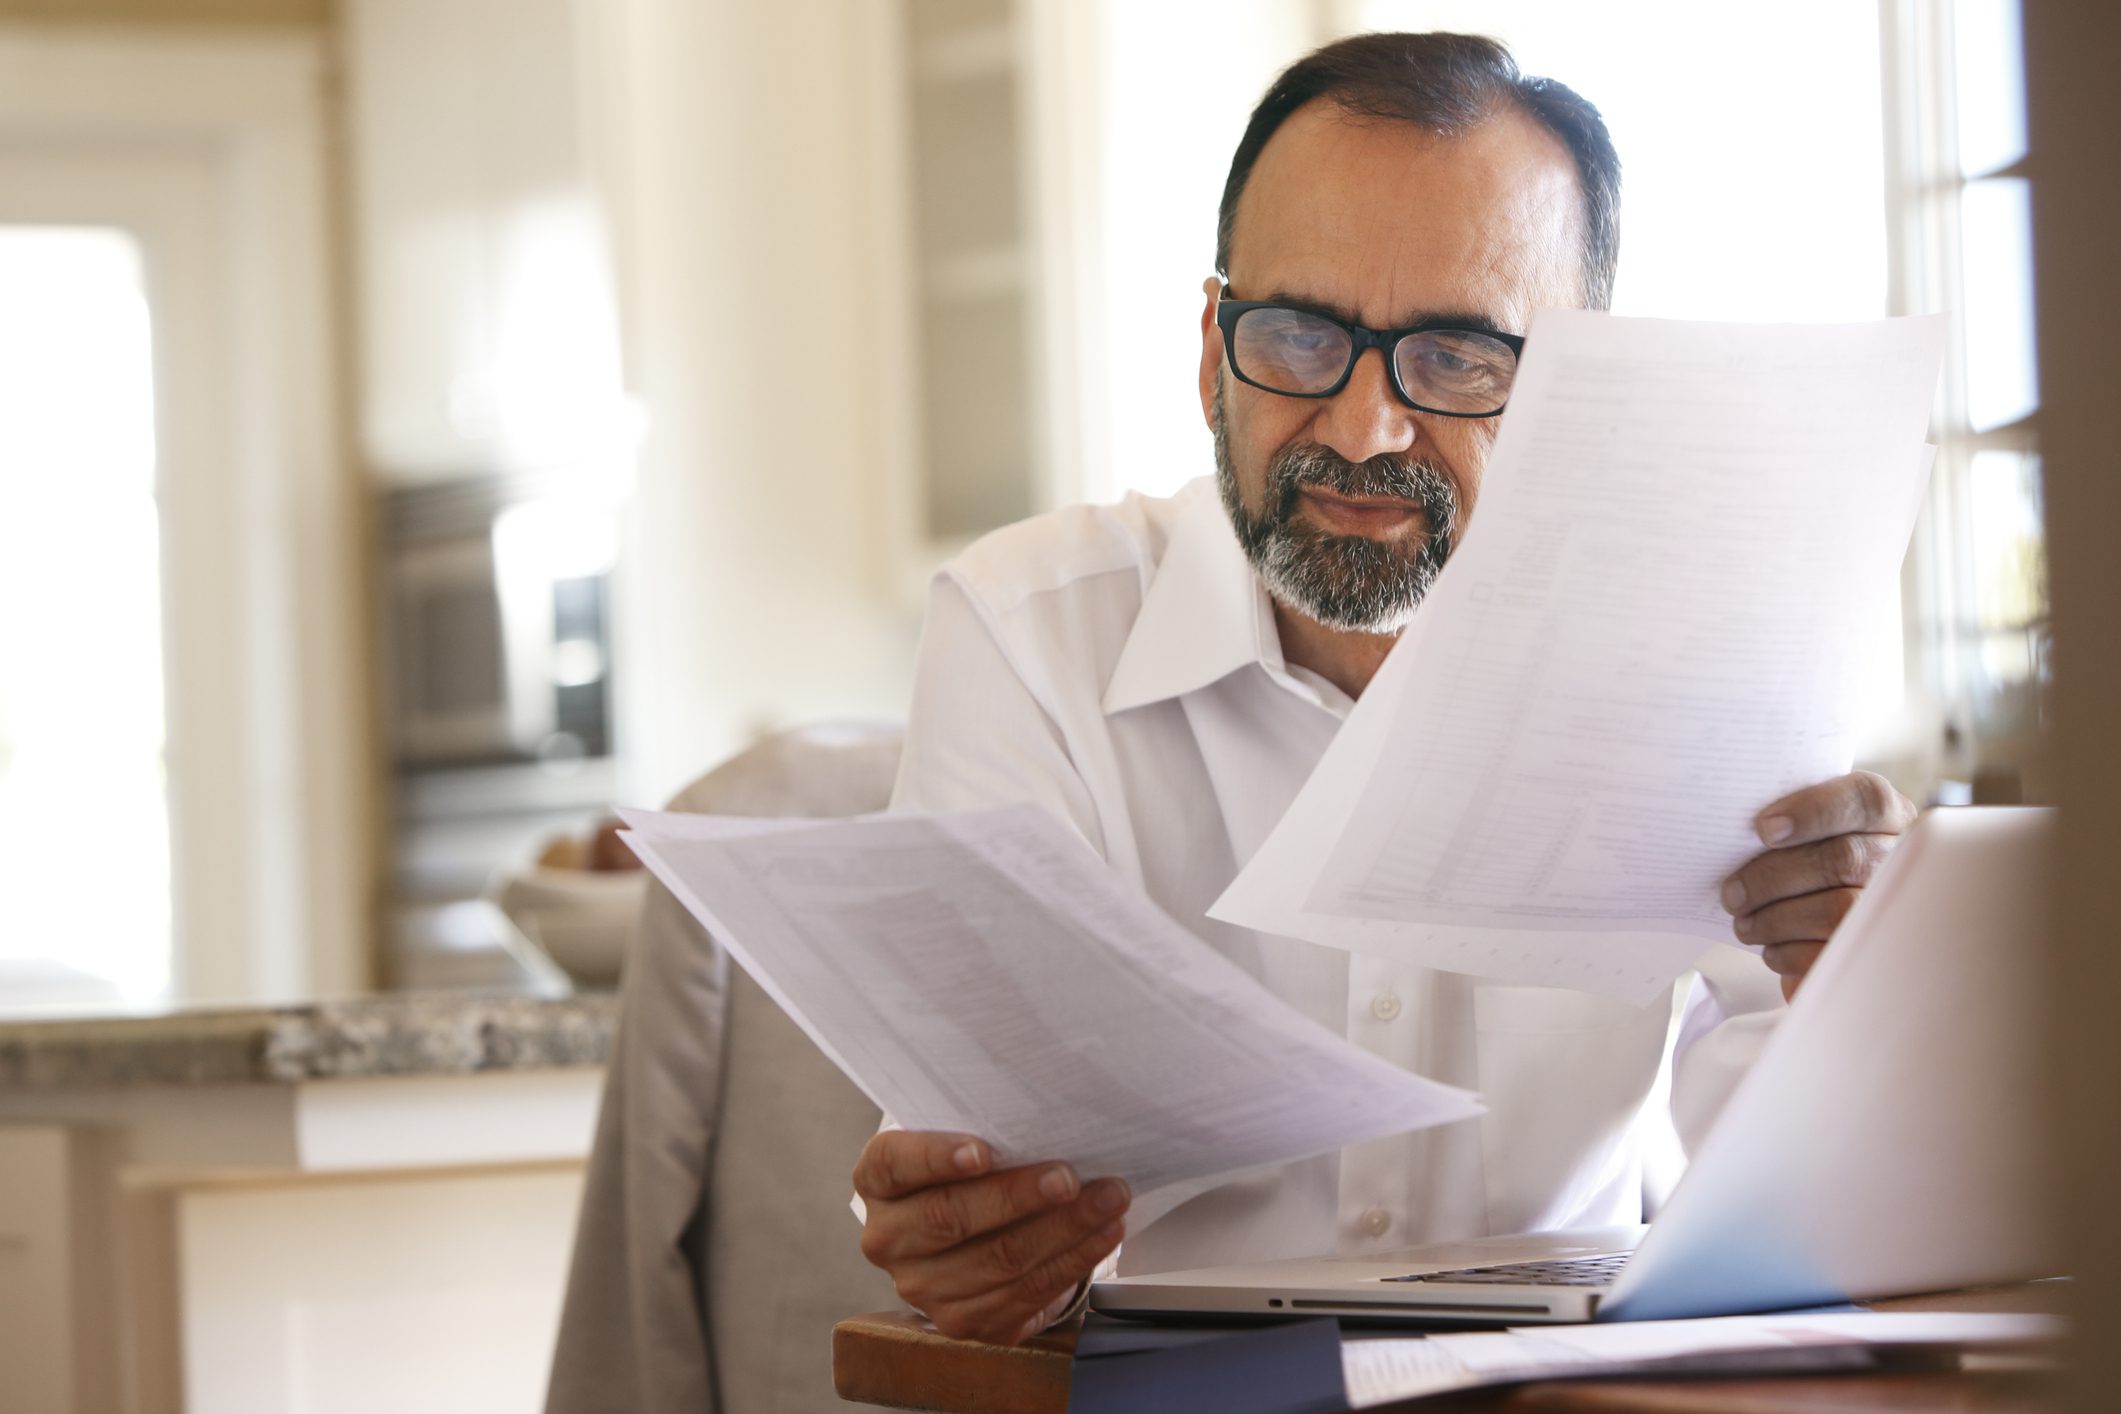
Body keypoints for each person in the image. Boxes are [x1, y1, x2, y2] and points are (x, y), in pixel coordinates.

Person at [852, 32, 1917, 1346]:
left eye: (1457, 355)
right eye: (1298, 337)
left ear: (1579, 391)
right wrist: (982, 1246)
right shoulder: (1026, 637)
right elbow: (970, 1173)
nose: (1361, 431)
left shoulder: (1716, 653)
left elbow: (1822, 1221)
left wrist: (1869, 989)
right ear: (1208, 349)